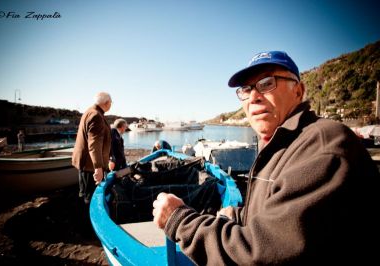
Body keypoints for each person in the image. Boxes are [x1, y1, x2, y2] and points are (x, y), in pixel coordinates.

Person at [152, 51, 380, 265]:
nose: (253, 97)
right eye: (246, 89)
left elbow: (260, 254)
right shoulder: (282, 144)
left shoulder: (323, 144)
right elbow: (286, 214)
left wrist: (179, 220)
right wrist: (239, 214)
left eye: (267, 83)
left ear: (298, 91)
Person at [72, 92, 112, 205]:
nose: (111, 104)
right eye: (111, 102)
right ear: (106, 103)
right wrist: (98, 167)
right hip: (90, 166)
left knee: (85, 193)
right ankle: (88, 220)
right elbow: (94, 143)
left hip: (87, 164)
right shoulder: (96, 115)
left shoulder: (90, 112)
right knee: (89, 197)